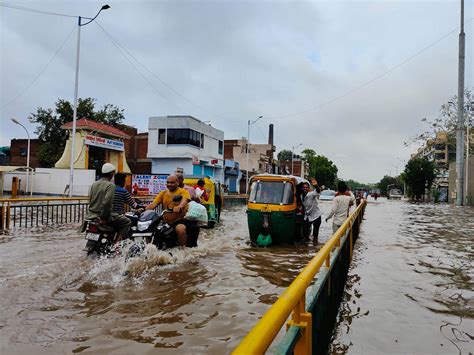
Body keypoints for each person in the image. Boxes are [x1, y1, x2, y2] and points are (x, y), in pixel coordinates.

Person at [85, 163, 131, 243]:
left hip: (92, 215)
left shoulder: (94, 184)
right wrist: (103, 218)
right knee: (127, 222)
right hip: (104, 216)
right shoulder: (111, 186)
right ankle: (117, 245)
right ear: (111, 173)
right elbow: (107, 203)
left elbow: (91, 200)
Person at [146, 175, 195, 247]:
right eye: (168, 182)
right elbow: (154, 204)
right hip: (165, 222)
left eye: (172, 183)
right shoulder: (163, 193)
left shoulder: (183, 191)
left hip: (179, 220)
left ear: (178, 183)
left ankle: (184, 250)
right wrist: (145, 210)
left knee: (180, 229)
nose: (169, 184)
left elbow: (185, 200)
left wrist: (179, 207)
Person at [301, 178, 322, 243]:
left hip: (316, 215)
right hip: (307, 215)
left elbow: (318, 191)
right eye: (304, 187)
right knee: (305, 231)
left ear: (308, 188)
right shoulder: (300, 195)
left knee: (315, 233)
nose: (305, 189)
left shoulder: (311, 194)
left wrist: (316, 185)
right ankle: (306, 246)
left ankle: (315, 243)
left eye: (306, 187)